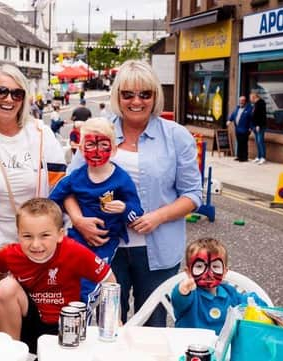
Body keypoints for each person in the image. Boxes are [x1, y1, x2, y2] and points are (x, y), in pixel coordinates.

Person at [64, 60, 202, 327]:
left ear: (155, 96)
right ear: (117, 96)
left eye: (145, 94)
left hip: (158, 249)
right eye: (128, 94)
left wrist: (158, 217)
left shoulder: (176, 136)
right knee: (106, 324)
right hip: (103, 247)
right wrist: (79, 221)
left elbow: (193, 194)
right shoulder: (97, 132)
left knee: (152, 327)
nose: (136, 101)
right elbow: (68, 186)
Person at [0, 64, 66, 296]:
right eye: (1, 91)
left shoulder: (41, 134)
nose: (9, 99)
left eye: (17, 93)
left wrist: (49, 237)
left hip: (42, 248)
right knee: (2, 317)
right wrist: (1, 247)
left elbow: (60, 188)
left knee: (43, 318)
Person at [0, 198, 116, 353]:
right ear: (18, 235)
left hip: (67, 323)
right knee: (4, 289)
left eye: (45, 235)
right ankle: (14, 353)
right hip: (30, 318)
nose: (36, 244)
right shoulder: (10, 254)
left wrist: (113, 319)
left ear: (60, 235)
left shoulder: (74, 251)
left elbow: (108, 278)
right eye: (27, 236)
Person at [49, 118, 143, 302]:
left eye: (103, 145)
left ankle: (86, 314)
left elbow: (136, 210)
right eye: (90, 145)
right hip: (76, 238)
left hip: (105, 242)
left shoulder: (121, 179)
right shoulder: (76, 177)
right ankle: (74, 314)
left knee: (92, 282)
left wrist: (124, 208)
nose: (97, 152)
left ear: (114, 149)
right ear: (81, 148)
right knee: (67, 278)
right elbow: (52, 201)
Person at [172, 238, 268, 335]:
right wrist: (182, 290)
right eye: (200, 267)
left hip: (223, 348)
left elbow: (253, 304)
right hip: (189, 346)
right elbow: (179, 300)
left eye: (216, 267)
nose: (209, 273)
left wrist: (258, 305)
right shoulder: (191, 294)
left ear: (225, 272)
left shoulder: (230, 293)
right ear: (188, 272)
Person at [226, 96, 252, 162]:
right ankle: (239, 156)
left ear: (245, 101)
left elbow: (251, 119)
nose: (241, 102)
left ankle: (244, 157)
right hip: (238, 129)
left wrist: (251, 127)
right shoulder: (237, 108)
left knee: (244, 143)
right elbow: (233, 115)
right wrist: (229, 120)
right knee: (239, 143)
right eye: (240, 100)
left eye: (242, 100)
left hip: (245, 129)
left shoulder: (249, 109)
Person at [250, 90, 267, 164]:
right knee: (257, 141)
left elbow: (261, 115)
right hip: (254, 125)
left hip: (260, 126)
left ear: (254, 97)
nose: (250, 99)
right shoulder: (255, 104)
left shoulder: (261, 103)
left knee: (260, 141)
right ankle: (258, 156)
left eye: (251, 97)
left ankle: (263, 157)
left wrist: (258, 125)